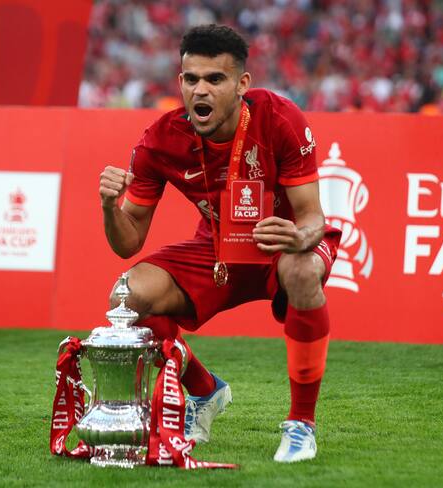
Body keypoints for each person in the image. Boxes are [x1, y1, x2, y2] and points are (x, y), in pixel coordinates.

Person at [98, 24, 340, 463]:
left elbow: (313, 218)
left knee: (302, 270)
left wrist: (297, 236)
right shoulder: (160, 139)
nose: (200, 91)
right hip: (217, 250)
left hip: (280, 244)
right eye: (191, 79)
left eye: (215, 79)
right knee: (126, 297)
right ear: (180, 83)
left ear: (242, 84)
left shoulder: (280, 118)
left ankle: (302, 426)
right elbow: (127, 243)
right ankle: (206, 392)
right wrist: (109, 208)